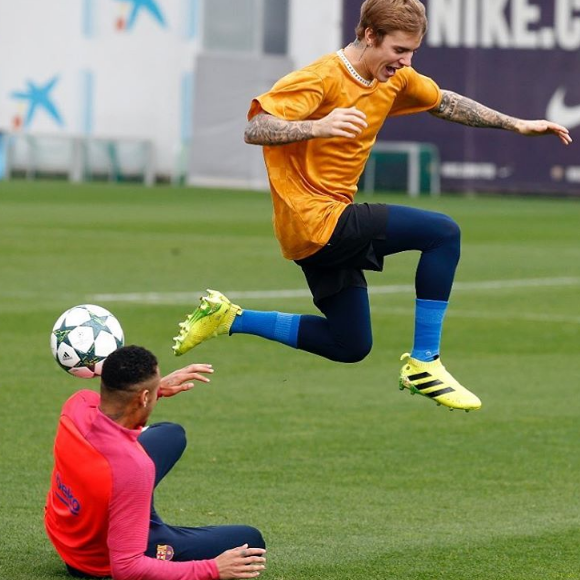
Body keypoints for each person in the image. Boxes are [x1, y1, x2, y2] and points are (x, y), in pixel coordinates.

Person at [172, 0, 571, 412]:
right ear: (368, 35)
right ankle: (425, 362)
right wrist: (318, 125)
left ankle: (228, 318)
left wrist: (515, 124)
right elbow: (256, 128)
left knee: (350, 344)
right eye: (399, 51)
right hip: (315, 221)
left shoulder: (393, 79)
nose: (406, 61)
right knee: (442, 233)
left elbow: (444, 102)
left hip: (320, 231)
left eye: (413, 52)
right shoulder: (321, 78)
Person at [45, 345, 266, 580]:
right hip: (93, 561)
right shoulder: (133, 468)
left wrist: (156, 389)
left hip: (67, 531)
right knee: (250, 542)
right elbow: (127, 568)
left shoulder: (77, 404)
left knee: (171, 434)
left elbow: (119, 407)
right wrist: (213, 569)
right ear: (143, 397)